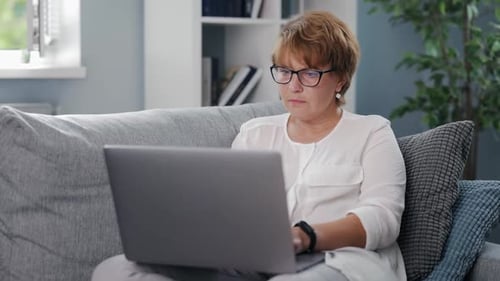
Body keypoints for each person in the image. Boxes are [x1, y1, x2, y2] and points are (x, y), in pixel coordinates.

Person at [92, 11, 406, 281]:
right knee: (116, 269)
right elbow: (227, 212)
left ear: (341, 79)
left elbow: (383, 219)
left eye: (309, 73)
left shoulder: (372, 132)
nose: (293, 86)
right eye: (284, 72)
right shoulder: (255, 133)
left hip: (337, 263)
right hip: (249, 265)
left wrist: (304, 236)